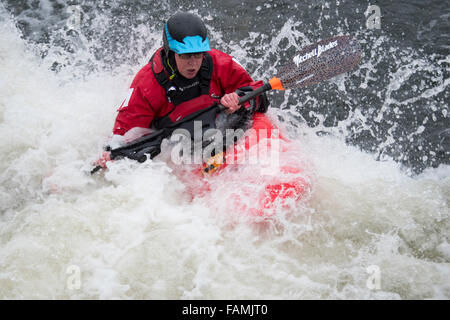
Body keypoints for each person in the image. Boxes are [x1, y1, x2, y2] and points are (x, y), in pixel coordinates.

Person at [96, 11, 269, 169]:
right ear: (170, 53)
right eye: (185, 56)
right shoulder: (147, 84)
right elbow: (124, 135)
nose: (193, 63)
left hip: (221, 130)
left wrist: (240, 98)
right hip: (175, 143)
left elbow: (260, 98)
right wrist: (111, 154)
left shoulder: (220, 63)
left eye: (198, 54)